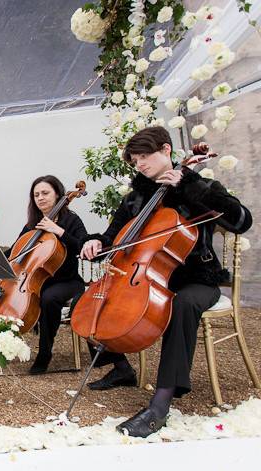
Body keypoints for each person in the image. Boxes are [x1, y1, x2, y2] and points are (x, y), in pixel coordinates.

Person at [79, 126, 253, 437]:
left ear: (167, 151)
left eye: (144, 157)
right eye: (134, 161)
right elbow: (110, 238)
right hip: (149, 277)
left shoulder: (199, 187)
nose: (139, 165)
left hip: (198, 279)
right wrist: (94, 244)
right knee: (98, 301)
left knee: (182, 303)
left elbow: (241, 220)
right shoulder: (136, 199)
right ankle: (120, 368)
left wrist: (192, 186)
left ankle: (160, 403)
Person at [0, 176, 90, 375]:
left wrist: (58, 231)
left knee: (49, 299)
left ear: (57, 194)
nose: (40, 198)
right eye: (36, 194)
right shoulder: (33, 224)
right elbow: (16, 251)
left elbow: (82, 245)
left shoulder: (71, 220)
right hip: (37, 280)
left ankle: (45, 353)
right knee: (6, 296)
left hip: (68, 281)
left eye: (45, 193)